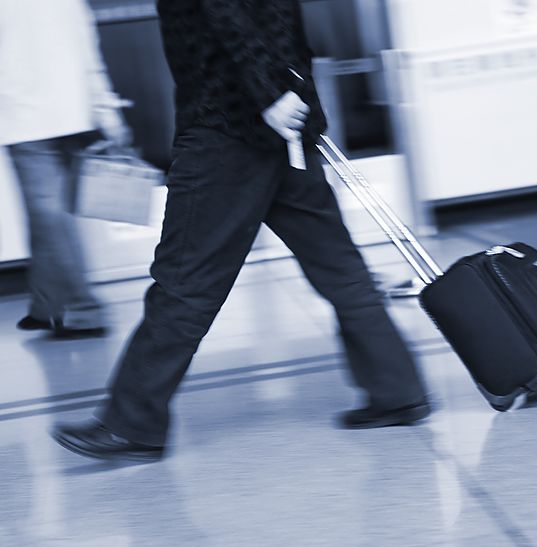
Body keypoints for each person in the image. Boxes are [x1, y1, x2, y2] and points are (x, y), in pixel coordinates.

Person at [51, 0, 430, 462]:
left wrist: (271, 93)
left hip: (225, 129)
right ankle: (398, 390)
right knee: (338, 267)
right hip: (284, 129)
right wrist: (293, 95)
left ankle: (131, 423)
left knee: (186, 280)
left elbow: (228, 13)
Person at [0, 0, 131, 337]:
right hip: (73, 110)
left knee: (49, 215)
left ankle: (83, 310)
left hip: (24, 117)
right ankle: (45, 307)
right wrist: (106, 107)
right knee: (49, 215)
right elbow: (88, 46)